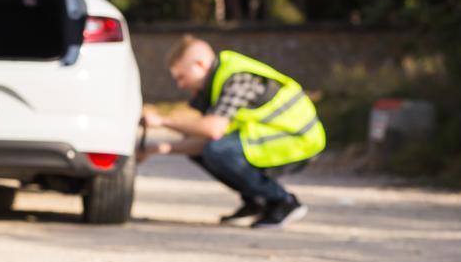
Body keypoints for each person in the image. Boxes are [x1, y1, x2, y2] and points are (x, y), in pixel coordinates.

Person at [138, 36, 326, 229]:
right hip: (275, 137)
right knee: (208, 147)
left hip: (299, 140)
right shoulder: (218, 81)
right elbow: (202, 141)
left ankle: (283, 202)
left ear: (200, 65)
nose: (180, 85)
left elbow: (212, 131)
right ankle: (257, 202)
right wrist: (156, 149)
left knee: (218, 149)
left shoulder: (236, 79)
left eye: (181, 76)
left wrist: (162, 121)